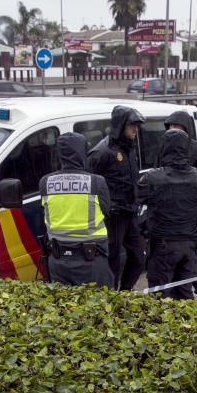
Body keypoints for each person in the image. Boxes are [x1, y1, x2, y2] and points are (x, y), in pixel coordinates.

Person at [137, 129, 197, 299]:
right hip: (189, 245)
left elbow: (135, 200)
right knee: (184, 293)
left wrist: (144, 226)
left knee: (159, 296)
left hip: (163, 246)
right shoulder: (196, 176)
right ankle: (188, 325)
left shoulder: (153, 178)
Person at [39, 133, 114, 288]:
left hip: (58, 262)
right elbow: (107, 211)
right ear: (82, 152)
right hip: (91, 262)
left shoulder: (45, 182)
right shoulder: (96, 182)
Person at [87, 105, 145, 290]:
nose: (135, 129)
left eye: (137, 125)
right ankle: (111, 297)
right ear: (121, 125)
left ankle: (125, 291)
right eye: (132, 125)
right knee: (112, 260)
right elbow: (89, 182)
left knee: (138, 257)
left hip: (131, 213)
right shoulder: (102, 152)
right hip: (113, 217)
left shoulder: (130, 148)